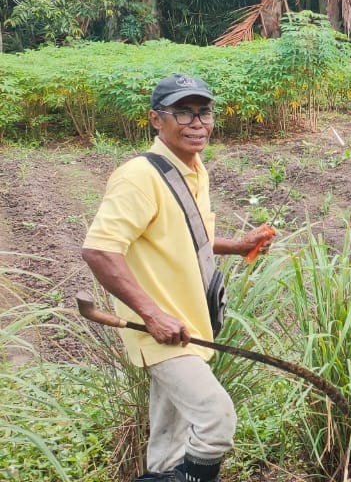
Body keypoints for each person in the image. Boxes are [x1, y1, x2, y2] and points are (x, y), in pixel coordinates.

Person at [81, 73, 275, 482]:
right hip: (161, 330)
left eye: (203, 112)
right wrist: (153, 315)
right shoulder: (140, 176)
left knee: (169, 446)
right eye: (182, 113)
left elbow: (189, 236)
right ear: (156, 119)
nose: (196, 123)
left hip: (188, 325)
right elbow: (99, 250)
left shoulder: (192, 168)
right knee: (215, 420)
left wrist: (238, 245)